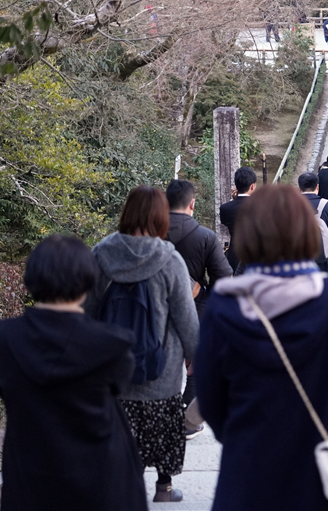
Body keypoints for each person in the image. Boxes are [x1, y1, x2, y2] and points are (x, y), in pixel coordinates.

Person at [196, 185, 328, 511]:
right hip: (325, 481)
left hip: (248, 480)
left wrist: (246, 435)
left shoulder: (224, 307)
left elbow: (211, 403)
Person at [0, 235, 148, 511]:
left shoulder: (5, 338)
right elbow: (120, 383)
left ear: (32, 278)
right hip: (103, 480)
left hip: (30, 479)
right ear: (87, 281)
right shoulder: (112, 343)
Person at [86, 187, 200, 503]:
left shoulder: (101, 254)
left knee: (119, 432)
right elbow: (186, 318)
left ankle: (120, 487)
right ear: (161, 217)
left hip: (113, 370)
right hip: (160, 371)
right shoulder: (170, 259)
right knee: (162, 428)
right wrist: (196, 357)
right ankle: (164, 488)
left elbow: (88, 312)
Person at [166, 179, 233, 437]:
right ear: (192, 204)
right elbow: (223, 277)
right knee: (195, 361)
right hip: (195, 306)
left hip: (157, 306)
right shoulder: (205, 236)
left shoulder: (151, 231)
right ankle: (187, 417)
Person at [298, 171, 328, 273]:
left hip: (298, 265)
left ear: (299, 188)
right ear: (317, 186)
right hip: (325, 264)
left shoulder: (290, 206)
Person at [220, 167, 257, 274]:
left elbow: (225, 221)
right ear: (252, 186)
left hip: (235, 255)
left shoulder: (225, 208)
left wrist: (234, 200)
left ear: (236, 187)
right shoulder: (261, 206)